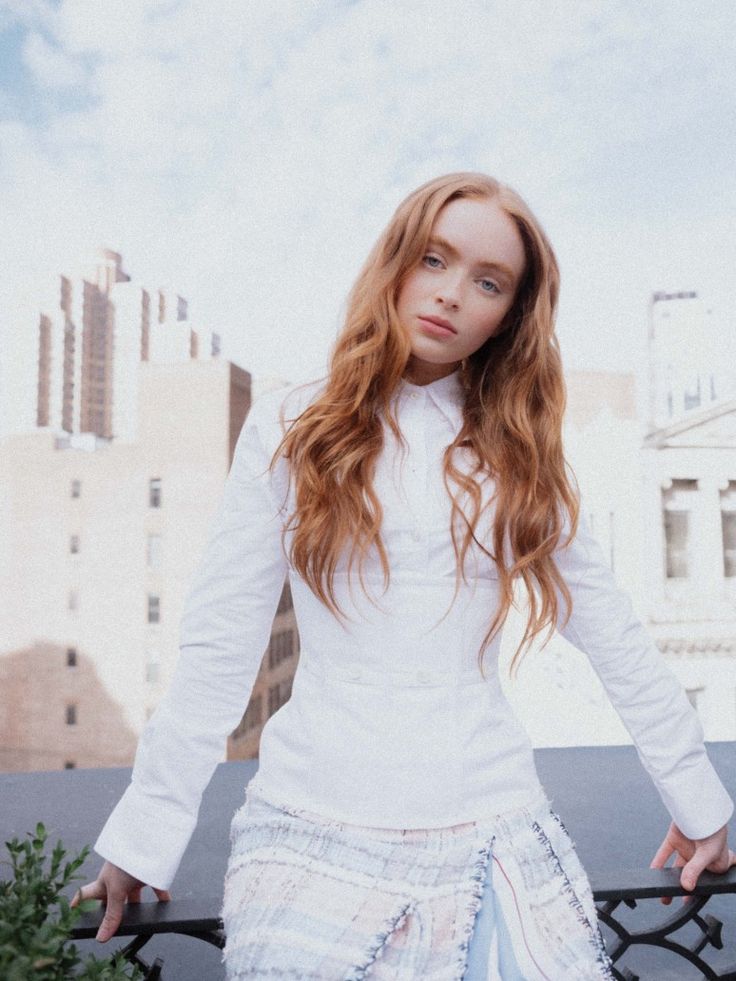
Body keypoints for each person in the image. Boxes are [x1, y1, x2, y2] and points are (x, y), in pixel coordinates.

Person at [73, 172, 735, 979]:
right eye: (434, 259)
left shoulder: (517, 453)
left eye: (487, 282)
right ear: (395, 262)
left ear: (509, 316)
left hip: (491, 825)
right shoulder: (292, 426)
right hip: (310, 828)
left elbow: (612, 630)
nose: (452, 294)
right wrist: (142, 839)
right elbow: (220, 646)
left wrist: (698, 802)